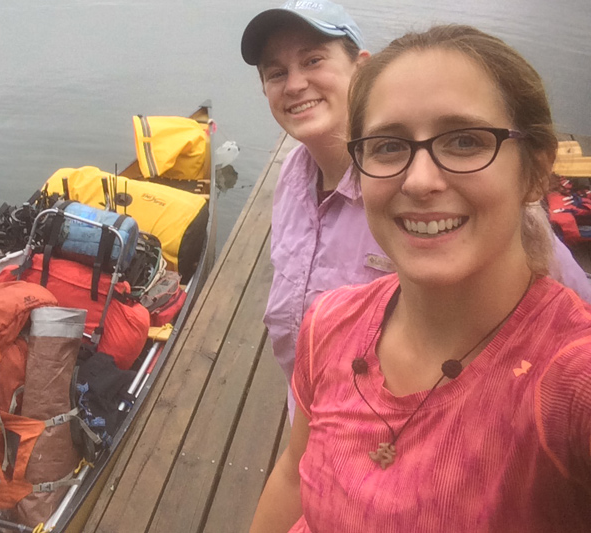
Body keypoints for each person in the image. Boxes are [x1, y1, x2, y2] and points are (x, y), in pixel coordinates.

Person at [249, 24, 591, 532]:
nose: (421, 180)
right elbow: (295, 478)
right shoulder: (330, 324)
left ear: (537, 168)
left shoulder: (569, 385)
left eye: (465, 141)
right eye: (388, 146)